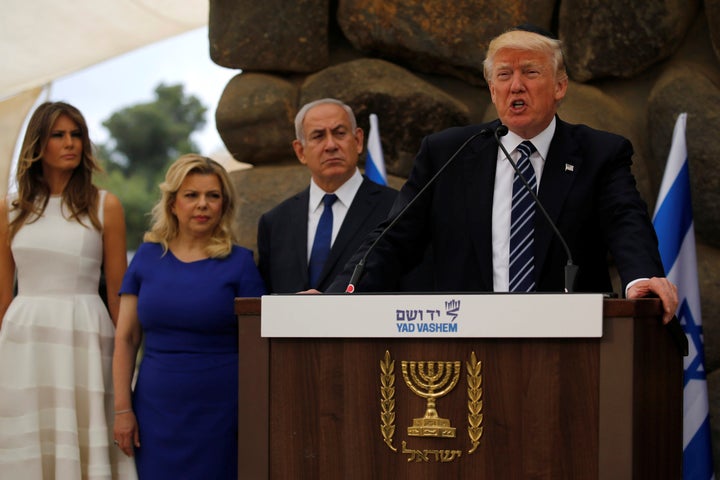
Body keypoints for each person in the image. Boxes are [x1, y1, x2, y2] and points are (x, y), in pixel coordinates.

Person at [327, 25, 678, 324]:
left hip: (569, 344)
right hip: (466, 341)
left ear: (560, 86)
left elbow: (625, 222)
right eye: (504, 75)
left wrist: (641, 278)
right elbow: (394, 237)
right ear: (493, 90)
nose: (516, 86)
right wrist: (340, 292)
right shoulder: (448, 153)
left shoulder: (599, 153)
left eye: (531, 72)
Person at [0, 101, 135, 478]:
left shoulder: (105, 205)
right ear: (38, 144)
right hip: (24, 340)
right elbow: (2, 297)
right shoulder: (8, 210)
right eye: (58, 135)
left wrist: (126, 369)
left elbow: (118, 297)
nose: (70, 143)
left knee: (86, 439)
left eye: (76, 135)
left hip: (86, 334)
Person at [112, 154, 266, 479]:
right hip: (155, 407)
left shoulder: (240, 263)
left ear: (224, 205)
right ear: (172, 203)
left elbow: (258, 345)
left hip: (222, 410)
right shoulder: (146, 257)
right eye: (191, 195)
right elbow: (126, 338)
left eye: (213, 196)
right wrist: (122, 409)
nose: (202, 205)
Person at [257, 98, 401, 293]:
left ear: (358, 141)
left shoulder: (396, 208)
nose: (331, 145)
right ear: (300, 151)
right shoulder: (275, 222)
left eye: (339, 133)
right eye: (318, 136)